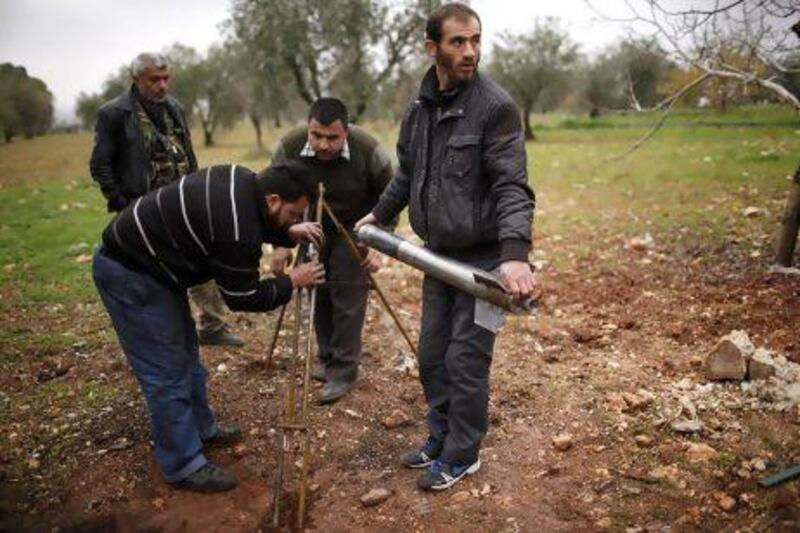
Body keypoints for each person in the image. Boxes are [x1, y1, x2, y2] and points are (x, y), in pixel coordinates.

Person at [356, 3, 536, 491]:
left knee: (465, 360)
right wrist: (380, 215)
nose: (470, 51)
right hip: (437, 258)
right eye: (458, 42)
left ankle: (463, 454)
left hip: (483, 265)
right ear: (432, 47)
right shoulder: (420, 108)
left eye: (476, 40)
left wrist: (515, 254)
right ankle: (440, 435)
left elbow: (512, 187)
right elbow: (410, 174)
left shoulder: (495, 107)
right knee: (433, 355)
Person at [92, 162, 325, 492]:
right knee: (165, 371)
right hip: (131, 272)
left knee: (186, 354)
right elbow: (242, 296)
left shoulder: (245, 180)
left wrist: (286, 233)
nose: (295, 220)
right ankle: (183, 465)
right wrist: (292, 281)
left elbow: (259, 221)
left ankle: (201, 429)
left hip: (156, 267)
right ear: (273, 200)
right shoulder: (236, 229)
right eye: (293, 214)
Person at [89, 52, 244, 347]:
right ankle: (161, 335)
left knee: (202, 259)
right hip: (142, 209)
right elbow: (100, 165)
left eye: (165, 78)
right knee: (152, 274)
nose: (162, 85)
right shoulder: (114, 113)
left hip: (183, 204)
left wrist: (199, 191)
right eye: (154, 80)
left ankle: (212, 327)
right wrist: (123, 204)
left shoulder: (174, 107)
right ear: (136, 80)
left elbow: (186, 153)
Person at [271, 98, 394, 404]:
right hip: (308, 223)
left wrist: (378, 240)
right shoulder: (289, 146)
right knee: (314, 286)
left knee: (348, 291)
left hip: (356, 225)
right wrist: (280, 241)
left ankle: (343, 370)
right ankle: (326, 358)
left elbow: (392, 196)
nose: (323, 145)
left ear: (346, 132)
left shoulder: (369, 149)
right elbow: (271, 195)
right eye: (316, 136)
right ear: (309, 127)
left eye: (332, 138)